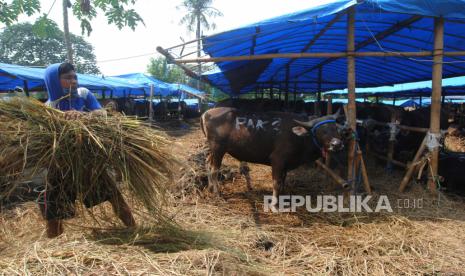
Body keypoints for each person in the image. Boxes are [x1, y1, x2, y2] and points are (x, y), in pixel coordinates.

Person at [40, 62, 135, 238]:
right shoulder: (48, 109)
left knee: (114, 196)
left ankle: (135, 231)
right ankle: (52, 248)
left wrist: (84, 116)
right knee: (53, 211)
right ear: (54, 81)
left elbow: (102, 114)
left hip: (88, 163)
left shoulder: (84, 94)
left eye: (75, 77)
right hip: (62, 167)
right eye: (67, 77)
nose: (74, 81)